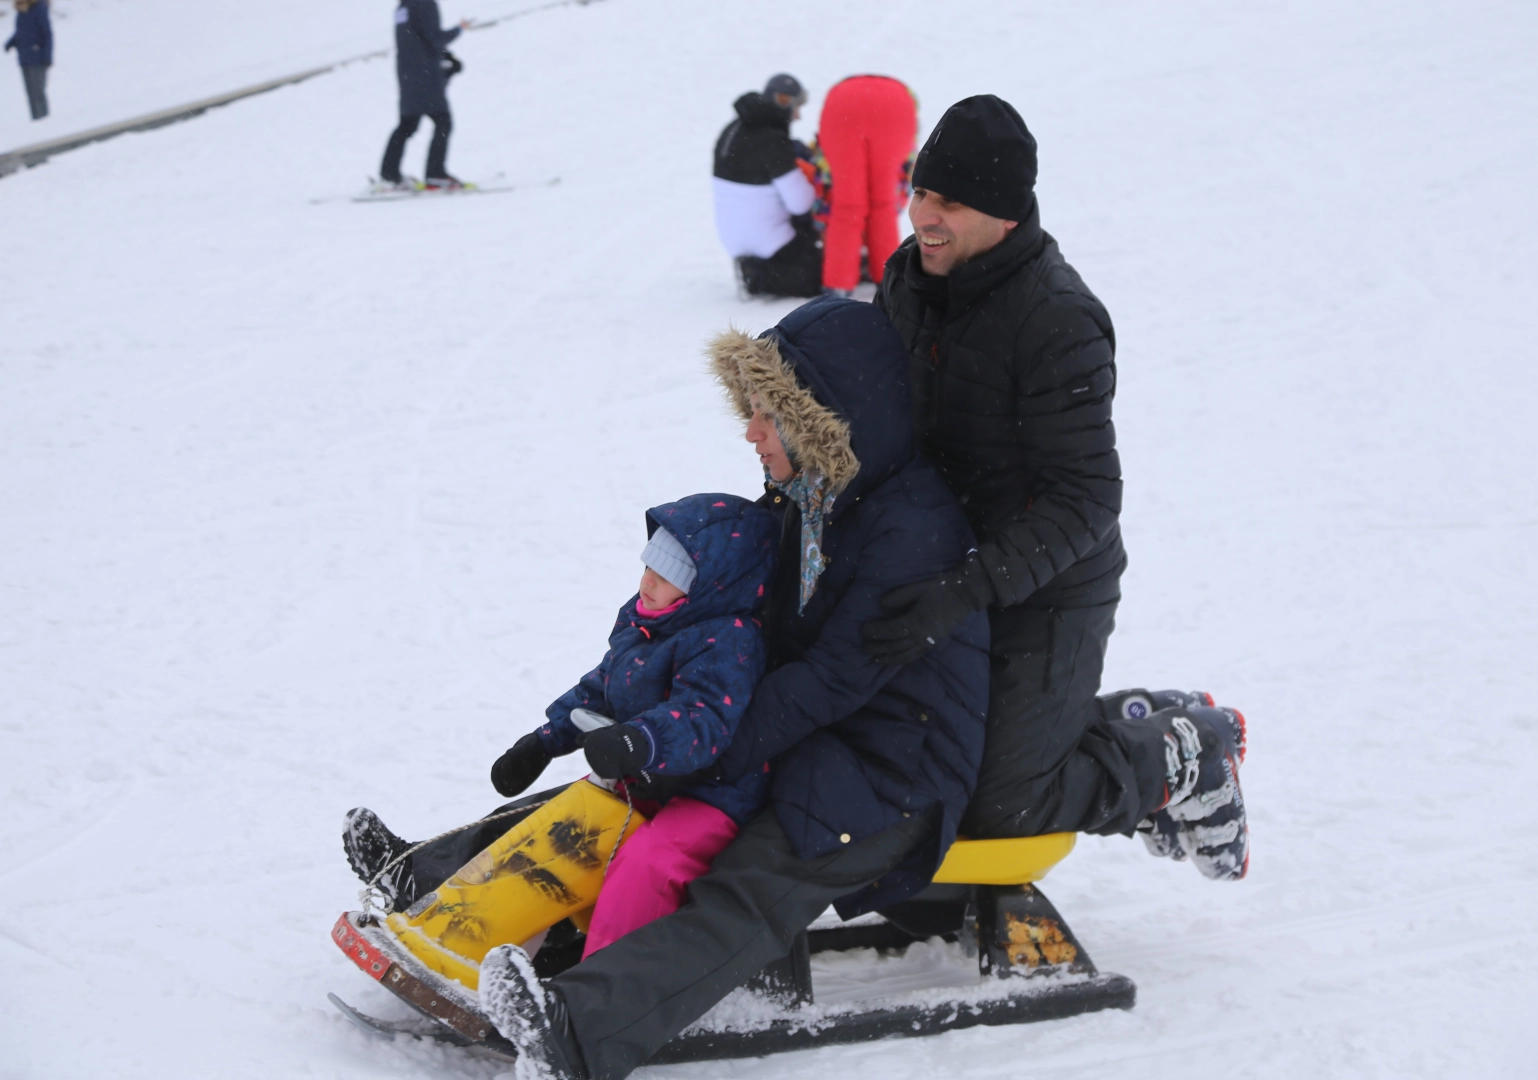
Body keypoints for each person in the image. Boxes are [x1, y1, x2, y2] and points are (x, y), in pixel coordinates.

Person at [476, 296, 991, 1080]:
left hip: (897, 763)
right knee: (604, 794)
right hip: (798, 730)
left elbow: (833, 679)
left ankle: (577, 1030)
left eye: (765, 416)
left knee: (750, 880)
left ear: (823, 419)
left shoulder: (909, 531)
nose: (749, 432)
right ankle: (436, 902)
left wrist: (707, 756)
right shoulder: (807, 497)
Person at [864, 95, 1250, 881]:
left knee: (1001, 810)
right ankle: (1117, 718)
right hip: (948, 569)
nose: (924, 217)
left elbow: (1084, 501)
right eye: (921, 192)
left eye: (951, 202)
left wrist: (962, 590)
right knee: (923, 764)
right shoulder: (910, 279)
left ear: (1003, 214)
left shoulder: (1057, 320)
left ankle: (1184, 752)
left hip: (1049, 589)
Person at [343, 493, 777, 959]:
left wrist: (640, 738)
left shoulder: (727, 640)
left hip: (704, 790)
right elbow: (602, 686)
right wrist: (543, 743)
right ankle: (420, 881)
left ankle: (594, 988)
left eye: (668, 574)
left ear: (709, 586)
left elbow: (703, 718)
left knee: (642, 863)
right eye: (649, 565)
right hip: (644, 776)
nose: (648, 581)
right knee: (538, 821)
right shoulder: (650, 619)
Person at [712, 74, 822, 298]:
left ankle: (754, 270)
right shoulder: (773, 140)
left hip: (731, 238)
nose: (797, 115)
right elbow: (801, 203)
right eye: (792, 104)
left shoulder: (732, 128)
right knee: (817, 274)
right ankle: (764, 275)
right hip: (772, 242)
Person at [815, 75, 917, 296]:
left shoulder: (841, 90)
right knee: (884, 204)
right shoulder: (901, 93)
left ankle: (837, 285)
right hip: (896, 104)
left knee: (847, 205)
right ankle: (888, 279)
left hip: (842, 104)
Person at [378, 0, 470, 190]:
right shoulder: (424, 3)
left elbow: (416, 37)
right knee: (443, 121)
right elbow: (435, 38)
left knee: (408, 124)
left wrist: (445, 56)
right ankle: (435, 174)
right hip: (425, 74)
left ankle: (389, 175)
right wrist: (459, 29)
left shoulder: (403, 5)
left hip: (407, 73)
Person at [4, 0, 50, 121]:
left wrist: (47, 56)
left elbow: (47, 34)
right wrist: (11, 43)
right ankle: (36, 121)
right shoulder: (21, 12)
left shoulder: (38, 9)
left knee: (38, 93)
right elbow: (21, 33)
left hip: (38, 59)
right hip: (24, 59)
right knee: (30, 94)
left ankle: (45, 121)